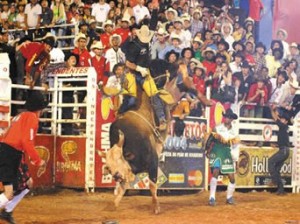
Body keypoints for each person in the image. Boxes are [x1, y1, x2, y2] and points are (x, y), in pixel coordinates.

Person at [0, 90, 47, 221]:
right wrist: (38, 161)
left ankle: (7, 212)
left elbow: (11, 136)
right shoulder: (32, 118)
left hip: (9, 151)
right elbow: (27, 142)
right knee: (9, 193)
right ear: (40, 108)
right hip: (11, 153)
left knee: (28, 183)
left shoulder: (20, 116)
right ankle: (6, 211)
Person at [205, 109, 240, 206]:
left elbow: (235, 147)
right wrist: (207, 149)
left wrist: (236, 161)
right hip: (216, 150)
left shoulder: (234, 132)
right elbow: (210, 139)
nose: (226, 119)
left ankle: (229, 197)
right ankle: (212, 197)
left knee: (232, 178)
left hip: (226, 153)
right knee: (216, 171)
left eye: (228, 117)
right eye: (226, 117)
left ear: (232, 119)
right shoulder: (217, 128)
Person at [268, 107, 291, 195]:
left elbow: (275, 118)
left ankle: (274, 180)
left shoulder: (283, 126)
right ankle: (281, 190)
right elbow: (284, 140)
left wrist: (272, 110)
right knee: (277, 169)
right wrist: (277, 145)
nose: (280, 119)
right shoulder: (285, 127)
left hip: (283, 151)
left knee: (270, 162)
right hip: (285, 150)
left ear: (285, 121)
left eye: (282, 119)